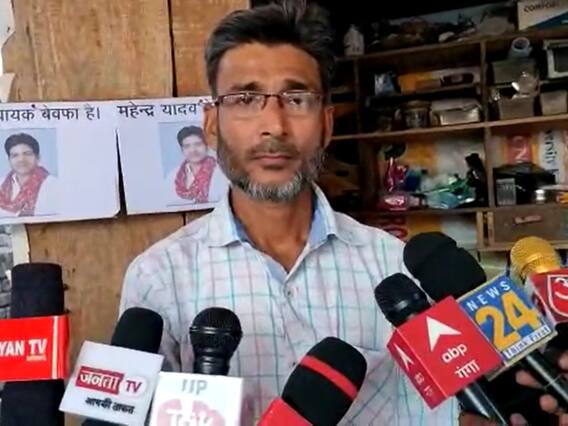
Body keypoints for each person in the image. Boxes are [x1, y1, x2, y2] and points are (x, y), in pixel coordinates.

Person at [120, 1, 568, 424]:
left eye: (297, 99)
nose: (273, 125)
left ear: (327, 124)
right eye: (245, 99)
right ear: (211, 124)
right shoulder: (159, 278)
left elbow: (455, 411)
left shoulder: (400, 270)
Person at [165, 125, 227, 204]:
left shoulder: (221, 172)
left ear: (207, 146)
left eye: (198, 144)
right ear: (182, 150)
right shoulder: (172, 176)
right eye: (187, 146)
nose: (193, 150)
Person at [0, 133, 57, 217]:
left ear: (38, 158)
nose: (21, 159)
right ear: (9, 160)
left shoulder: (53, 185)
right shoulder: (1, 184)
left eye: (27, 154)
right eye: (15, 155)